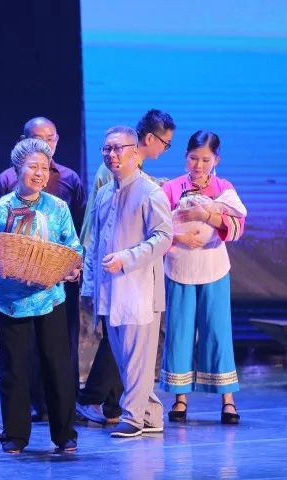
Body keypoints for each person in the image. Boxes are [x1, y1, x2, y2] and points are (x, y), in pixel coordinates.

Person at [0, 138, 81, 453]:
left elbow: (73, 247)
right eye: (33, 167)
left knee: (57, 366)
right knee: (14, 369)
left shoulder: (57, 207)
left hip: (50, 297)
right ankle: (15, 435)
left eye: (44, 168)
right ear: (18, 169)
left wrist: (72, 268)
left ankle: (65, 433)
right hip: (11, 301)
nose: (39, 173)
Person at [76, 109, 175, 425]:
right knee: (123, 361)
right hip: (110, 289)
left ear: (135, 152)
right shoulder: (106, 192)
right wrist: (90, 285)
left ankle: (133, 417)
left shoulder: (150, 191)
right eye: (107, 149)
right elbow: (96, 242)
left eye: (118, 149)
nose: (112, 154)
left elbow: (164, 237)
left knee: (138, 361)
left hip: (138, 286)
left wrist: (128, 259)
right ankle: (150, 415)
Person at [0, 117, 86, 421]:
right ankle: (27, 415)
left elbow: (76, 234)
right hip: (15, 290)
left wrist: (73, 265)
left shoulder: (67, 185)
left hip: (54, 286)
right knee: (20, 357)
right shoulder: (4, 189)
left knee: (60, 351)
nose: (45, 145)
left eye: (51, 138)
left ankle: (65, 416)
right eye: (37, 138)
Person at [159, 130, 246, 424]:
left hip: (213, 268)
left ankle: (228, 399)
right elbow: (156, 227)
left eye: (205, 160)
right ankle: (180, 398)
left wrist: (207, 216)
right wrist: (178, 237)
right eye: (193, 158)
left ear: (216, 160)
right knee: (179, 331)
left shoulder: (223, 188)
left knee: (217, 331)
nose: (198, 165)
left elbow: (237, 226)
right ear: (185, 157)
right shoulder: (171, 188)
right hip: (180, 266)